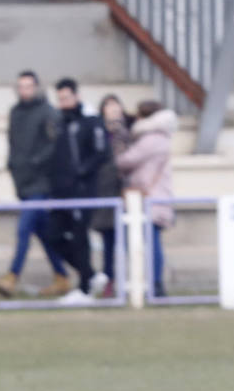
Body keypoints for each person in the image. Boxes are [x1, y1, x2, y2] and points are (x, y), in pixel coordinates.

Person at [0, 70, 69, 298]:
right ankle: (61, 276)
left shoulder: (48, 112)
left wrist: (35, 164)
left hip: (41, 185)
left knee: (24, 230)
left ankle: (11, 277)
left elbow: (54, 147)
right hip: (23, 184)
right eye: (20, 86)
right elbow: (13, 144)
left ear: (36, 87)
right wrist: (14, 166)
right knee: (42, 233)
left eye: (28, 86)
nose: (24, 90)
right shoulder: (15, 112)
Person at [47, 77, 107, 304]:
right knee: (52, 235)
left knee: (80, 237)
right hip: (60, 192)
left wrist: (80, 173)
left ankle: (85, 289)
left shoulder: (90, 121)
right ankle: (90, 276)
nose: (63, 102)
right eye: (60, 98)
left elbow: (101, 153)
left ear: (76, 95)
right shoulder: (59, 122)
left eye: (66, 97)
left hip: (82, 192)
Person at [115, 100, 176, 298]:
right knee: (151, 241)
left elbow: (127, 160)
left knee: (152, 241)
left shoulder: (152, 138)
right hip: (155, 196)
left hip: (151, 197)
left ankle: (155, 283)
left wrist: (116, 152)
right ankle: (153, 283)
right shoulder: (160, 137)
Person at [91, 94, 131, 298]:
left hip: (124, 193)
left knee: (125, 241)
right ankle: (109, 280)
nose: (113, 110)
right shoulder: (98, 133)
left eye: (116, 105)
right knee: (108, 241)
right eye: (109, 106)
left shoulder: (128, 132)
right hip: (104, 192)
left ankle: (126, 280)